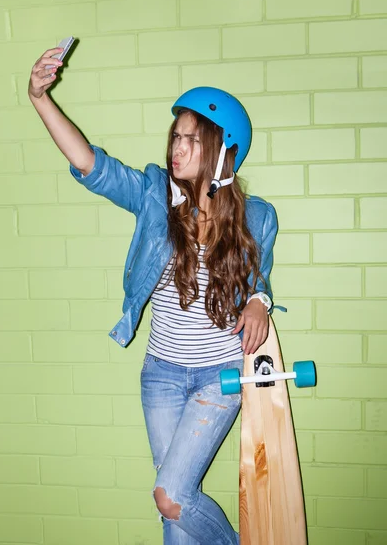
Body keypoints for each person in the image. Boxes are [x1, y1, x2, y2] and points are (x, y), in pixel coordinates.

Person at [29, 47, 278, 545]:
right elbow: (92, 165)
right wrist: (39, 98)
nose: (177, 148)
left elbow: (259, 279)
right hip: (161, 374)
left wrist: (259, 302)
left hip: (219, 376)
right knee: (173, 512)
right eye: (176, 137)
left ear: (223, 149)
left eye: (191, 138)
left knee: (170, 495)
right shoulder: (153, 197)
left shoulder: (258, 218)